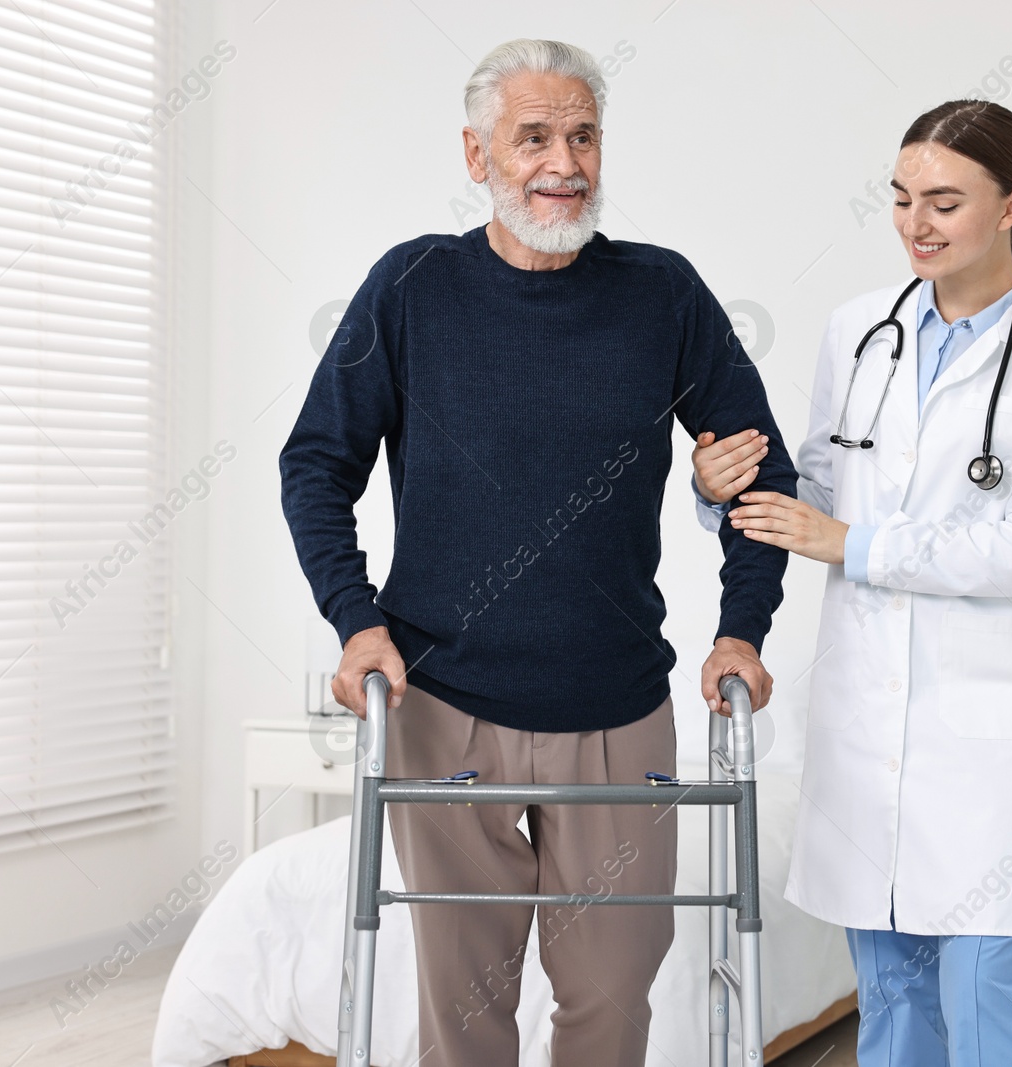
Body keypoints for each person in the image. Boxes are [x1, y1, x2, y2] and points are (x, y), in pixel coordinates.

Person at [279, 39, 797, 1067]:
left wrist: (741, 629)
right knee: (463, 1006)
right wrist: (356, 618)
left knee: (610, 998)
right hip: (443, 699)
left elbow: (759, 472)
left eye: (583, 135)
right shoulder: (412, 285)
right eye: (532, 137)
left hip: (615, 701)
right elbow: (315, 461)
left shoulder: (662, 293)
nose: (562, 161)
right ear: (477, 156)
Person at [689, 100, 1012, 1066]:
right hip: (867, 710)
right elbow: (817, 487)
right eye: (902, 199)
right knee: (890, 997)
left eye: (945, 202)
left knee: (986, 992)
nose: (917, 223)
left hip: (988, 723)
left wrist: (852, 541)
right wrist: (719, 493)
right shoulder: (859, 331)